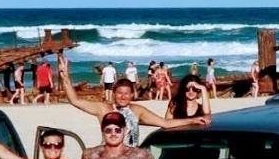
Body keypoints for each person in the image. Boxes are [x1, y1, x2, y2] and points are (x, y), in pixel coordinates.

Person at [59, 52, 208, 148]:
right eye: (119, 93)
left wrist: (192, 120)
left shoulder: (137, 110)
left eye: (126, 93)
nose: (123, 96)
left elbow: (165, 123)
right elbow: (75, 100)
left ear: (132, 95)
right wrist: (65, 77)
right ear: (114, 94)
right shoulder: (103, 109)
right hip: (108, 158)